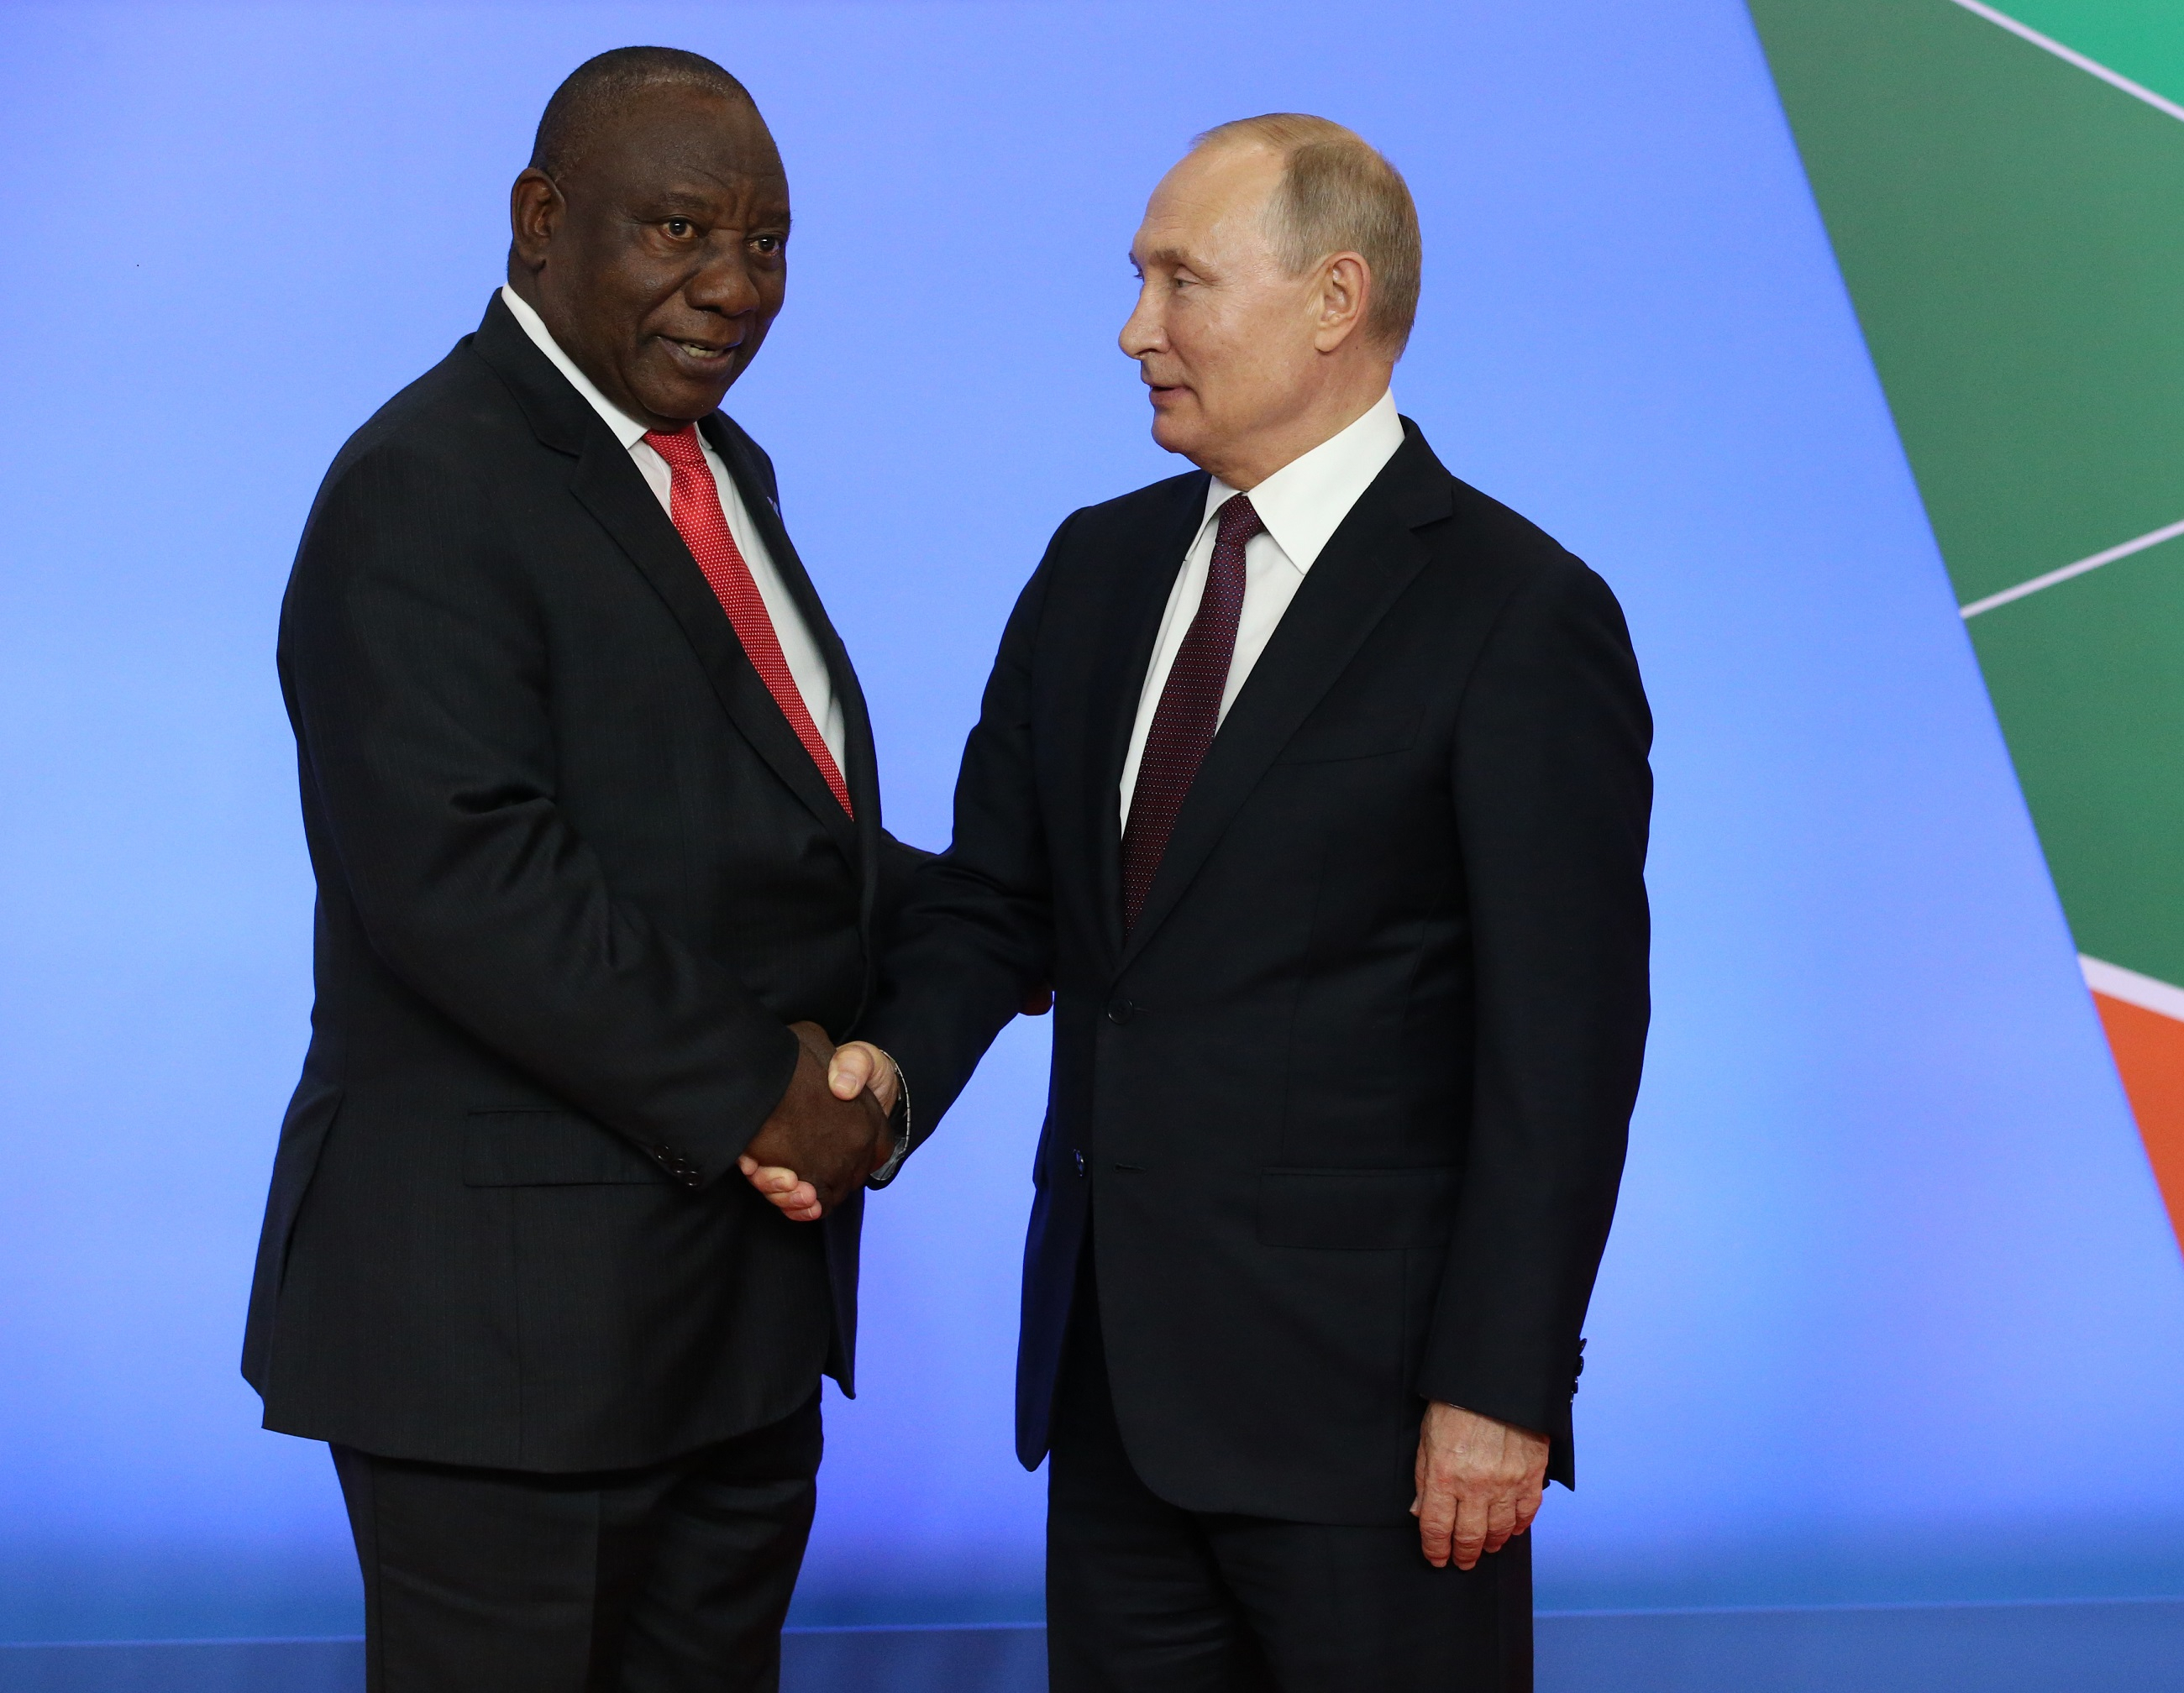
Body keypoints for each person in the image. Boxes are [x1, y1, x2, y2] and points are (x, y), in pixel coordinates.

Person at [751, 114, 1652, 1689]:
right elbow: (991, 909)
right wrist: (880, 1081)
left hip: (1381, 1434)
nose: (1135, 328)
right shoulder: (1093, 569)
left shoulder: (1519, 614)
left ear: (1335, 299)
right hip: (1112, 1408)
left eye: (1182, 280)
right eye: (1137, 280)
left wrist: (1503, 1387)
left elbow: (1563, 1043)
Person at [241, 47, 919, 1693]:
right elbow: (466, 879)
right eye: (680, 230)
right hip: (510, 1349)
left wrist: (1005, 923)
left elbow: (757, 833)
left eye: (765, 243)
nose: (734, 286)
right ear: (542, 223)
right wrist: (770, 1095)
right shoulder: (425, 484)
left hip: (728, 1328)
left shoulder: (716, 469)